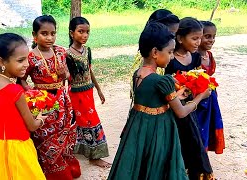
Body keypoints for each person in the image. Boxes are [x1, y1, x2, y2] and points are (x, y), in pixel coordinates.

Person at [108, 22, 211, 180]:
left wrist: (177, 95)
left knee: (138, 166)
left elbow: (152, 98)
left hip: (138, 130)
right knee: (157, 167)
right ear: (155, 52)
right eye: (170, 52)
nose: (171, 57)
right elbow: (181, 112)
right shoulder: (162, 81)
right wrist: (201, 96)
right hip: (159, 131)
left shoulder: (138, 74)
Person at [21, 15, 81, 180]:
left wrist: (65, 74)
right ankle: (50, 171)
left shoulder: (61, 51)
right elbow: (21, 77)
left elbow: (69, 75)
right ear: (35, 35)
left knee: (66, 131)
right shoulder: (31, 57)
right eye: (44, 33)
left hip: (63, 99)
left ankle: (66, 164)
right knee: (45, 136)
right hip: (43, 102)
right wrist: (30, 93)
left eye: (53, 33)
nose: (49, 38)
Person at [0, 33, 46, 179]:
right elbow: (32, 126)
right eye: (21, 60)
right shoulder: (15, 90)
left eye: (27, 59)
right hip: (18, 149)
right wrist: (40, 119)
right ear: (2, 62)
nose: (27, 64)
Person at [165, 17, 214, 180]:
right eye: (194, 38)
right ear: (179, 38)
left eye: (199, 38)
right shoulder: (170, 61)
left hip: (190, 109)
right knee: (178, 142)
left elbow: (200, 78)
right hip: (174, 111)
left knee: (193, 141)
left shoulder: (195, 58)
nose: (197, 42)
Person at [66, 16, 110, 168]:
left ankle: (88, 151)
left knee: (88, 120)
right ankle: (93, 156)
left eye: (87, 32)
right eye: (81, 32)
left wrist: (98, 89)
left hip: (88, 91)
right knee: (89, 121)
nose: (84, 35)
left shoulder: (87, 51)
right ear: (72, 33)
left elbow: (89, 71)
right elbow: (66, 78)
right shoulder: (67, 55)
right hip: (76, 94)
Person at [130, 9, 180, 99]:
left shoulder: (159, 55)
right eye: (171, 33)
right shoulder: (144, 60)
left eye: (175, 34)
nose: (173, 37)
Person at [196, 21, 225, 154]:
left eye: (214, 36)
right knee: (198, 128)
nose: (212, 40)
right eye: (207, 36)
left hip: (210, 98)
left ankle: (203, 156)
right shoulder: (193, 57)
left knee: (207, 127)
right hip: (198, 99)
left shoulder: (209, 55)